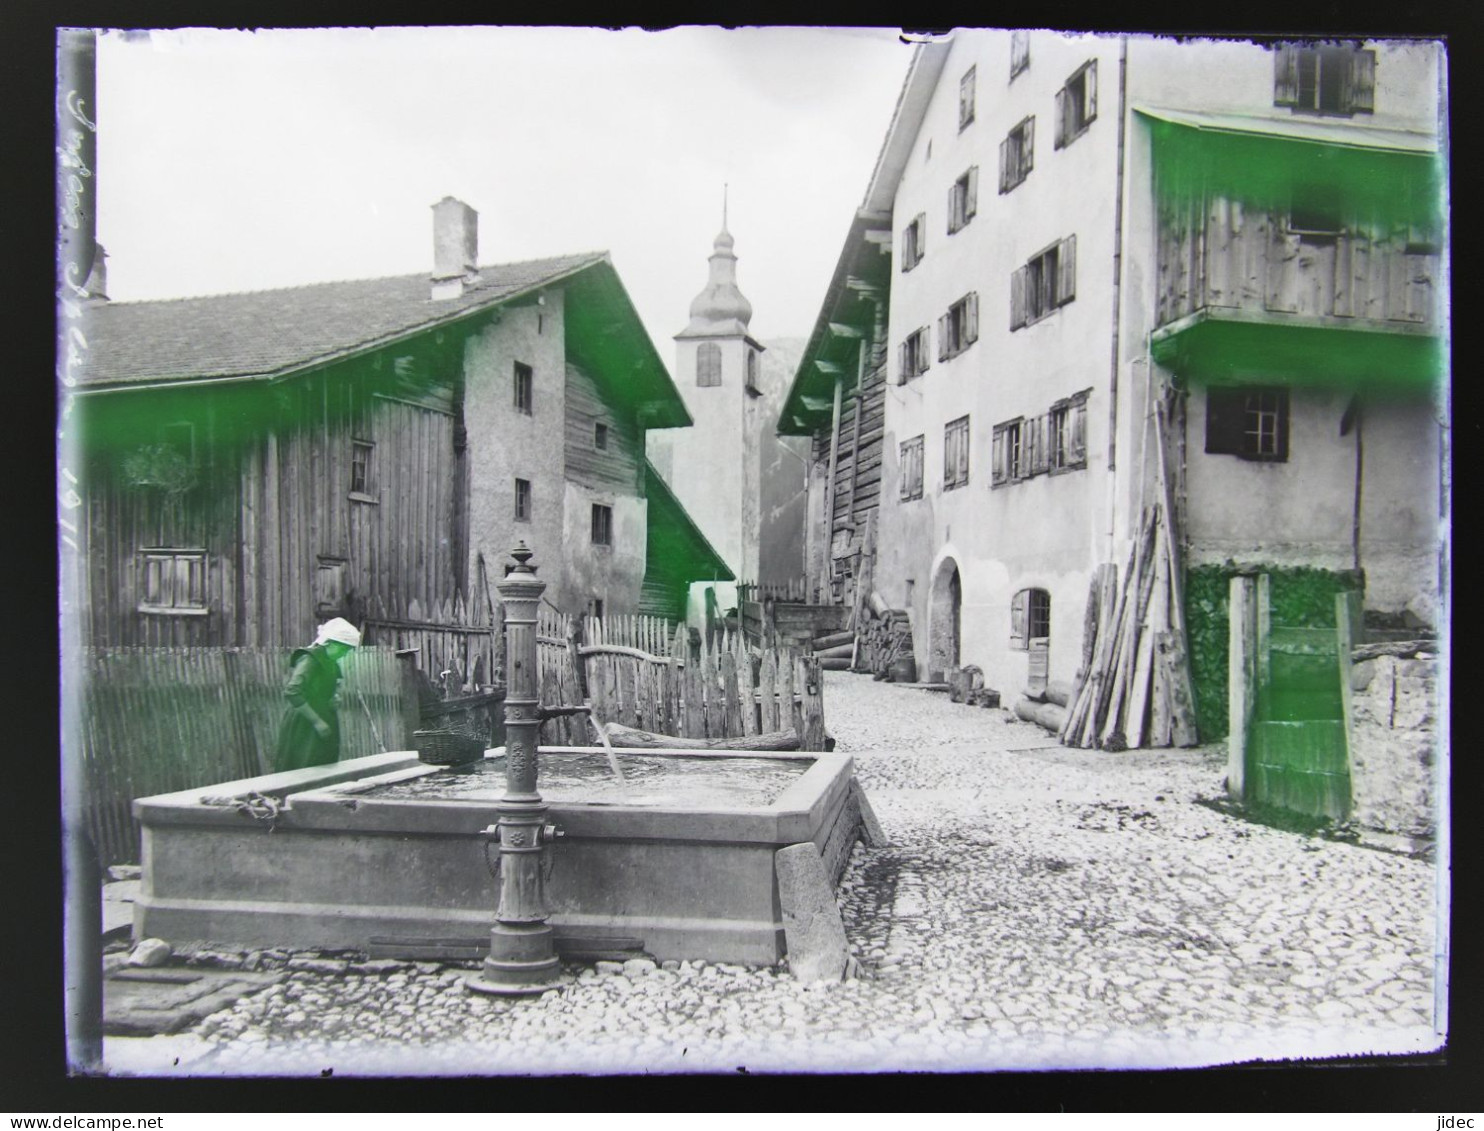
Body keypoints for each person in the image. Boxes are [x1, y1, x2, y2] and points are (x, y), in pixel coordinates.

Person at [273, 617, 361, 772]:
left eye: (347, 651)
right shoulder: (310, 660)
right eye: (343, 649)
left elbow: (327, 687)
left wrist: (334, 697)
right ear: (329, 643)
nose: (344, 654)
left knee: (324, 763)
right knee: (304, 764)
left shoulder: (330, 661)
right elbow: (292, 691)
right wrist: (316, 722)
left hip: (325, 718)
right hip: (305, 722)